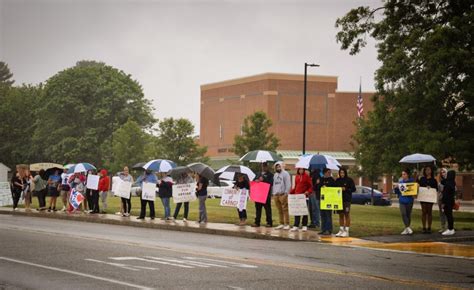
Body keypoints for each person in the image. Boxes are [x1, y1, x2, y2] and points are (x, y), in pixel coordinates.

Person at [335, 167, 356, 237]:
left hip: (347, 200)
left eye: (343, 172)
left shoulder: (349, 180)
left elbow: (353, 189)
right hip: (339, 200)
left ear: (345, 173)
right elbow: (334, 188)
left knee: (346, 214)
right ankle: (341, 230)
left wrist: (346, 189)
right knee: (340, 215)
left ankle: (346, 230)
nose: (342, 174)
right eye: (340, 173)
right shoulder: (337, 180)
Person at [252, 162, 273, 228]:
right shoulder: (258, 174)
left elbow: (271, 183)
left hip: (266, 195)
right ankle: (257, 222)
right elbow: (253, 181)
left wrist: (264, 179)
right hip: (258, 194)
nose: (264, 167)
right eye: (262, 166)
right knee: (258, 209)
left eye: (265, 166)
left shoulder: (270, 175)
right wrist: (256, 180)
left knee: (267, 209)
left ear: (267, 167)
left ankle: (269, 222)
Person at [418, 166, 438, 234]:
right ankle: (424, 227)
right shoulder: (422, 179)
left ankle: (429, 227)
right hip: (423, 197)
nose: (427, 171)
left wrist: (430, 187)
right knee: (424, 212)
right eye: (426, 170)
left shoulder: (434, 180)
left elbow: (436, 189)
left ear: (431, 171)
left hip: (430, 198)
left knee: (429, 212)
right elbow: (419, 186)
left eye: (429, 170)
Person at [394, 169, 415, 235]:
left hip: (409, 201)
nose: (403, 175)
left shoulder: (411, 182)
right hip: (402, 200)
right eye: (402, 174)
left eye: (404, 174)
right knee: (403, 214)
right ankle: (408, 227)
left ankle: (406, 229)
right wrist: (396, 188)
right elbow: (397, 192)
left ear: (407, 175)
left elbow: (413, 191)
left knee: (408, 215)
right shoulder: (400, 182)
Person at [272, 162, 291, 230]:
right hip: (276, 195)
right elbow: (274, 184)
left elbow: (288, 184)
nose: (278, 168)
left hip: (283, 194)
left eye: (279, 167)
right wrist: (274, 193)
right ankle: (281, 223)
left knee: (285, 209)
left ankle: (287, 223)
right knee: (279, 210)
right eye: (276, 167)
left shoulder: (285, 174)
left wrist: (286, 193)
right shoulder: (275, 174)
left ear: (281, 167)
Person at [319, 168, 336, 235]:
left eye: (330, 172)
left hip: (329, 199)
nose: (329, 173)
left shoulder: (331, 179)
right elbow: (317, 187)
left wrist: (327, 187)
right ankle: (323, 229)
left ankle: (329, 229)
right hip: (322, 199)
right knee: (322, 214)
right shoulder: (321, 179)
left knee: (328, 215)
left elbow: (334, 188)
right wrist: (320, 186)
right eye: (328, 172)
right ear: (324, 173)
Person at [441, 170, 456, 236]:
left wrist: (443, 203)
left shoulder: (448, 184)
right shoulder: (452, 182)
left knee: (449, 215)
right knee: (449, 215)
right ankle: (450, 228)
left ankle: (451, 229)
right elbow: (443, 181)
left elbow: (445, 194)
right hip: (450, 201)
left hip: (447, 202)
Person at [437, 168, 448, 233]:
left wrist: (438, 182)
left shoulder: (448, 180)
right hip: (440, 199)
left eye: (444, 172)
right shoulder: (441, 180)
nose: (442, 173)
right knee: (441, 213)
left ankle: (448, 227)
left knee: (447, 213)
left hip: (446, 199)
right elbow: (438, 189)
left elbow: (442, 189)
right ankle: (443, 227)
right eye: (441, 172)